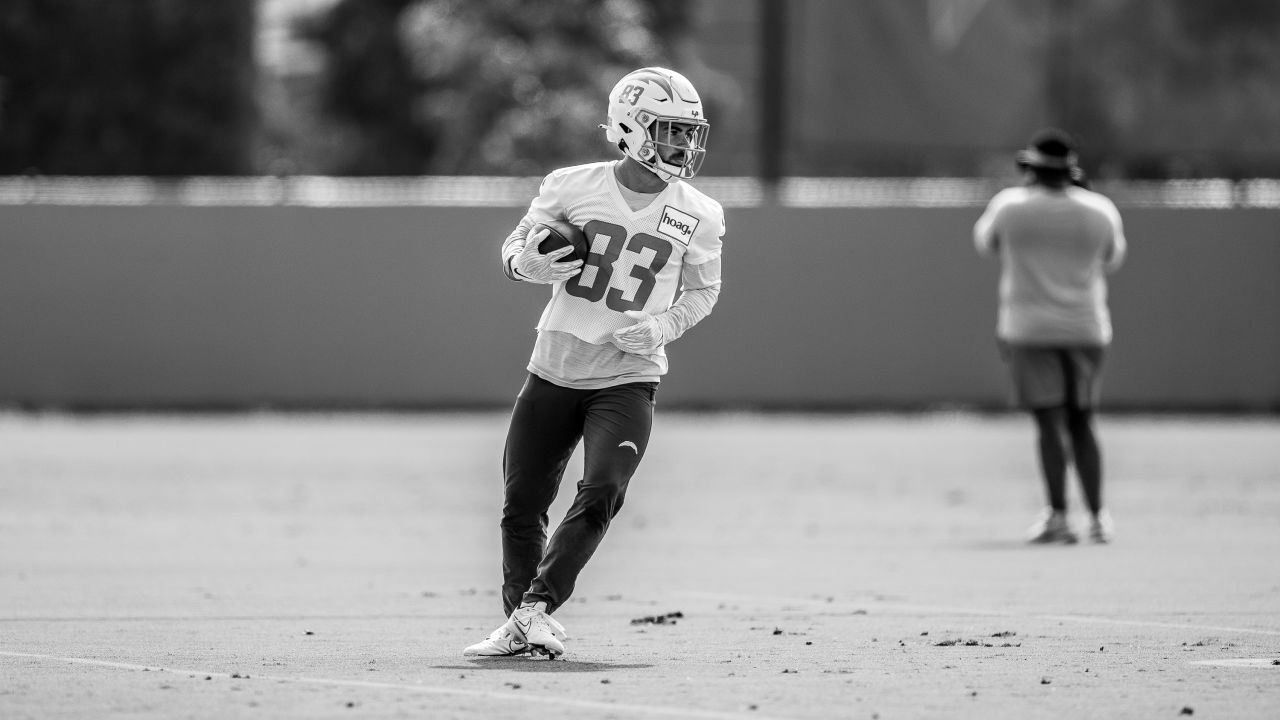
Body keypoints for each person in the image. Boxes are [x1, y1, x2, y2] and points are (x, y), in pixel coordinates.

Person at [463, 67, 725, 658]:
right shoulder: (572, 186)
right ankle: (522, 624)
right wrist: (522, 264)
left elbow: (704, 292)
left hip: (628, 378)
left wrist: (661, 325)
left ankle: (535, 609)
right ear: (631, 127)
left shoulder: (700, 212)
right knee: (522, 504)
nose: (683, 145)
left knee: (604, 486)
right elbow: (516, 245)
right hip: (553, 367)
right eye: (669, 130)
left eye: (688, 133)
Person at [973, 128, 1127, 545]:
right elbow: (1112, 258)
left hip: (1028, 329)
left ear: (1031, 169)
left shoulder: (1010, 207)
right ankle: (1098, 517)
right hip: (1087, 328)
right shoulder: (1100, 210)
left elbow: (986, 244)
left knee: (1048, 422)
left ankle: (1058, 515)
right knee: (1083, 421)